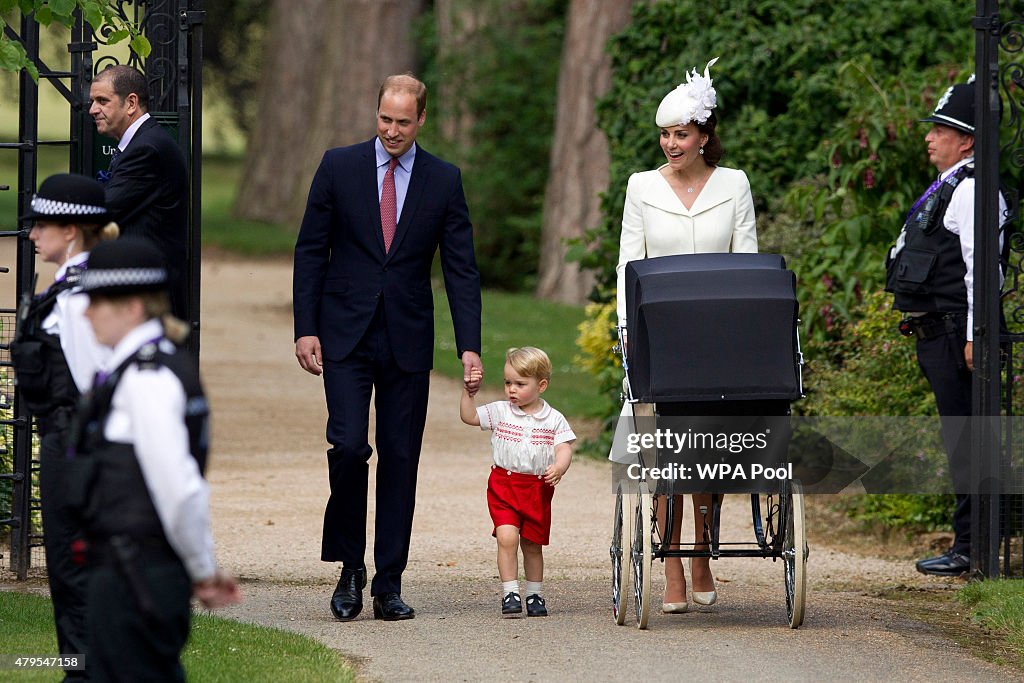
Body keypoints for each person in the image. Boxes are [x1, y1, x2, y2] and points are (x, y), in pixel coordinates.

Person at [293, 73, 483, 622]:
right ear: (375, 114)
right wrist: (306, 327)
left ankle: (389, 581)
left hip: (407, 337)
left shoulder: (443, 180)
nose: (392, 130)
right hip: (344, 334)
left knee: (401, 458)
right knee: (350, 447)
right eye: (385, 119)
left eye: (403, 121)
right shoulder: (339, 166)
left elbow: (462, 270)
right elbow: (311, 251)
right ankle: (349, 566)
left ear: (421, 119)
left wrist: (469, 344)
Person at [615, 58, 757, 613]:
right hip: (661, 331)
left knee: (709, 448)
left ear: (704, 135)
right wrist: (627, 328)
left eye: (681, 134)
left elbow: (746, 258)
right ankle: (671, 560)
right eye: (665, 134)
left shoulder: (735, 184)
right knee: (667, 450)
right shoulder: (641, 186)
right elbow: (630, 260)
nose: (671, 144)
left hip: (720, 332)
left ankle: (701, 552)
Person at [66, 237, 241, 679]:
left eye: (98, 301)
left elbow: (178, 488)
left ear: (133, 307)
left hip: (135, 572)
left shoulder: (147, 378)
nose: (86, 312)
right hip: (131, 567)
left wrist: (203, 570)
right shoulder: (143, 366)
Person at [885, 76, 1007, 576]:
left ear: (968, 140)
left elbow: (985, 270)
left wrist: (978, 335)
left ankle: (974, 549)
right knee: (960, 438)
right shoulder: (953, 185)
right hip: (941, 330)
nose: (930, 137)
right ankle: (969, 544)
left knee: (970, 439)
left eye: (941, 129)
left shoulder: (974, 188)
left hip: (958, 332)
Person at [10, 173, 119, 678]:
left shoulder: (79, 297)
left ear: (70, 229)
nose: (32, 234)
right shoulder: (80, 282)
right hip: (75, 444)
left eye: (41, 224)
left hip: (76, 445)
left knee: (72, 568)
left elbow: (97, 383)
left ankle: (83, 672)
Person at [460, 347, 575, 617]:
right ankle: (510, 592)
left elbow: (564, 447)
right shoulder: (501, 411)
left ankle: (534, 594)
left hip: (536, 488)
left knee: (533, 544)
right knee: (507, 537)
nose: (511, 389)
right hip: (504, 485)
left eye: (520, 384)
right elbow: (470, 417)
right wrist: (469, 394)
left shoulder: (553, 419)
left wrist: (559, 466)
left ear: (541, 385)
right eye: (508, 382)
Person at [89, 64, 190, 321]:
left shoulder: (146, 149)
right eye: (92, 101)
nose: (92, 110)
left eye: (102, 101)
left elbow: (106, 208)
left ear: (131, 103)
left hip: (150, 290)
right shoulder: (142, 142)